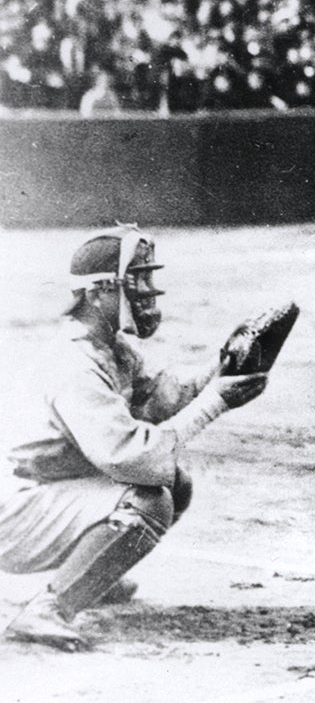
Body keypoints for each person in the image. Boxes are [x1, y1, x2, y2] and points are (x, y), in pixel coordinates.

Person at [0, 224, 268, 651]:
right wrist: (215, 403)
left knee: (175, 482)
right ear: (95, 293)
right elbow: (129, 456)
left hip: (43, 492)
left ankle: (93, 576)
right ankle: (47, 608)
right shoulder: (73, 364)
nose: (146, 290)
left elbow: (159, 402)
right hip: (12, 512)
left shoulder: (107, 348)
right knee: (148, 499)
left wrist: (219, 373)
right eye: (135, 280)